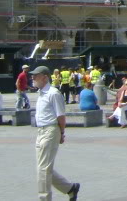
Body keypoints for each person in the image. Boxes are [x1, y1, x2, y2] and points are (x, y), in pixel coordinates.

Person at [30, 66, 80, 201]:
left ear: (45, 77)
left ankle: (44, 198)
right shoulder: (41, 93)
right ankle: (70, 188)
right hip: (41, 131)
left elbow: (61, 117)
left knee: (43, 170)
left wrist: (61, 133)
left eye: (36, 75)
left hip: (50, 130)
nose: (32, 78)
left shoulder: (53, 93)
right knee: (44, 168)